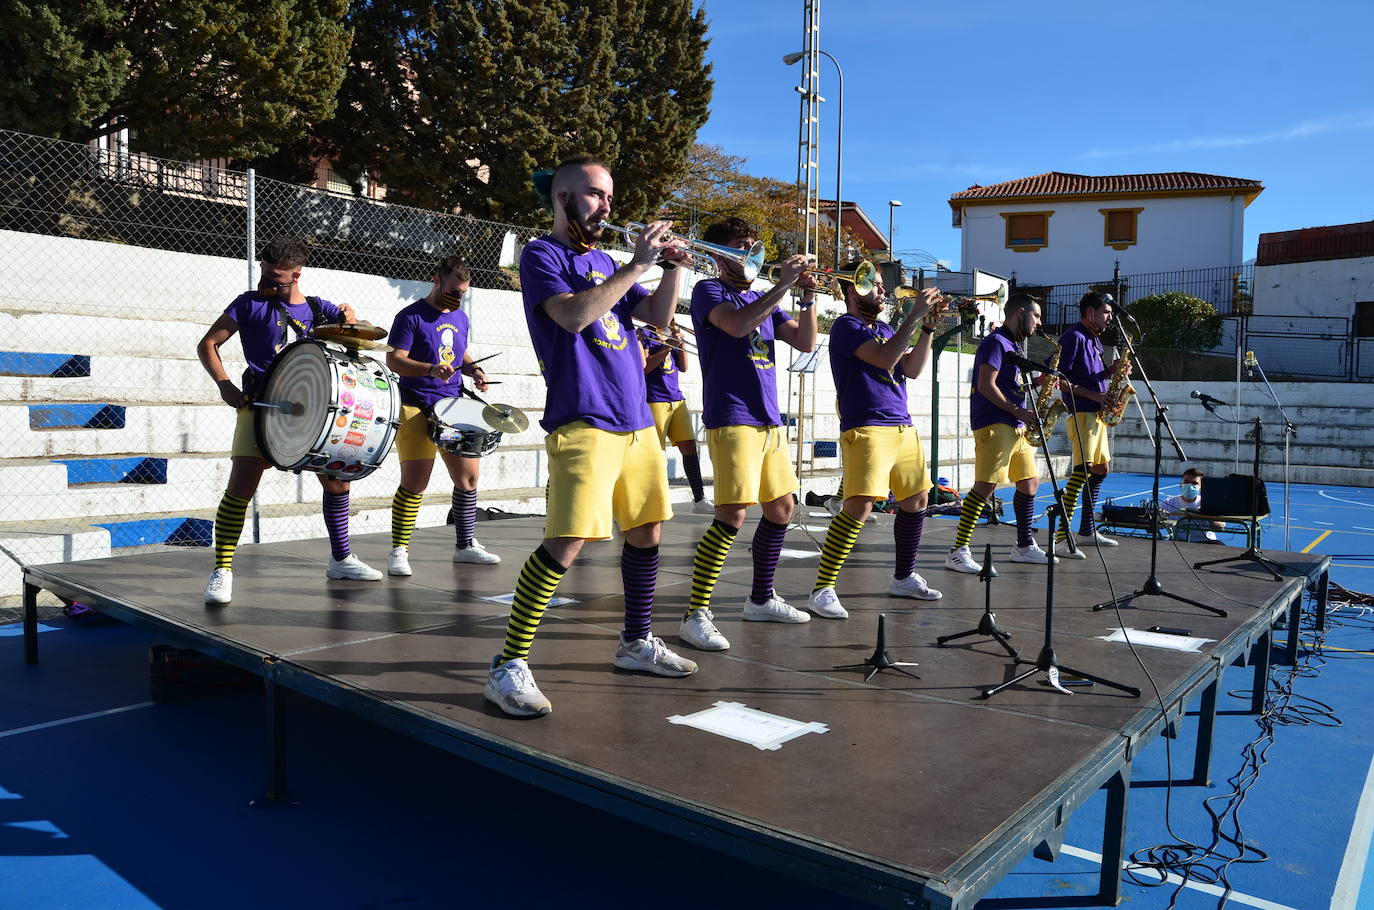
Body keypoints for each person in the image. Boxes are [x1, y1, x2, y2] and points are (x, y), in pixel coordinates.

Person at [484, 156, 697, 718]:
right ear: (562, 198)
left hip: (635, 416)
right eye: (596, 195)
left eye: (608, 195)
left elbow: (653, 314)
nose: (607, 205)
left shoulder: (603, 258)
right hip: (584, 415)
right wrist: (636, 264)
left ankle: (635, 642)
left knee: (647, 531)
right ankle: (508, 664)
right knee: (569, 541)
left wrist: (671, 269)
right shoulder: (542, 254)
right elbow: (574, 316)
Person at [197, 237, 383, 605]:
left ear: (297, 275)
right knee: (240, 488)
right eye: (264, 273)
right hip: (261, 404)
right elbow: (208, 344)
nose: (267, 282)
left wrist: (353, 320)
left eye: (276, 278)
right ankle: (222, 570)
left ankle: (341, 558)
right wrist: (225, 385)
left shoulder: (319, 308)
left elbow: (367, 333)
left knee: (337, 482)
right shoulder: (249, 303)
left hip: (312, 409)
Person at [678, 217, 819, 652]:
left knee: (781, 508)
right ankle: (695, 613)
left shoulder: (762, 297)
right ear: (719, 254)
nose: (752, 253)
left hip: (768, 418)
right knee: (733, 513)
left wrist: (808, 300)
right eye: (742, 246)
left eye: (754, 245)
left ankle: (760, 598)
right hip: (733, 414)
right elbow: (736, 326)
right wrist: (783, 287)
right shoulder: (708, 290)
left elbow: (806, 342)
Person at [805, 266, 945, 619]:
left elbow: (910, 369)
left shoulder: (883, 328)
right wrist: (915, 316)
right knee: (859, 506)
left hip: (901, 424)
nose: (883, 292)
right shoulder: (846, 326)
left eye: (883, 286)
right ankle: (822, 588)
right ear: (853, 291)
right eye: (876, 286)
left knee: (917, 500)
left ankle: (903, 577)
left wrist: (927, 327)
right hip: (867, 427)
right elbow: (884, 360)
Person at [385, 257, 500, 578]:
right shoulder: (410, 317)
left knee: (468, 479)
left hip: (451, 413)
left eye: (462, 293)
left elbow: (458, 350)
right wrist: (430, 370)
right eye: (452, 291)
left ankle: (465, 546)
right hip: (417, 409)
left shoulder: (461, 317)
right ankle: (399, 550)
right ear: (436, 279)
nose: (457, 297)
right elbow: (395, 359)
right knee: (415, 483)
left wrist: (474, 368)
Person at [944, 293, 1055, 573]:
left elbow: (1013, 384)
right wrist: (1018, 412)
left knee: (1029, 482)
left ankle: (1024, 546)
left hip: (1016, 425)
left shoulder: (1015, 345)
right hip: (995, 422)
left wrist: (1042, 381)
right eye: (1037, 315)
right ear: (1021, 313)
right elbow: (986, 384)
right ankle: (958, 550)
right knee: (986, 486)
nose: (1039, 322)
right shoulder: (996, 342)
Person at [1053, 291, 1122, 558]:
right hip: (1082, 413)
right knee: (1082, 471)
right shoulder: (1073, 337)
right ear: (1090, 312)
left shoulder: (1093, 339)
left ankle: (1086, 530)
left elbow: (1091, 375)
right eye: (1106, 312)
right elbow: (1058, 377)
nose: (1110, 318)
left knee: (1101, 469)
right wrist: (1092, 394)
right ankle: (1061, 538)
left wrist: (1110, 372)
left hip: (1096, 414)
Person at [637, 321, 713, 514]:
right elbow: (644, 367)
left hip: (676, 398)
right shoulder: (644, 333)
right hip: (654, 399)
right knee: (654, 453)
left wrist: (681, 344)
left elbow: (684, 367)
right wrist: (666, 347)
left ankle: (699, 499)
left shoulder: (671, 332)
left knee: (689, 446)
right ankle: (647, 501)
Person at [1161, 467, 1225, 542]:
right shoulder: (1168, 503)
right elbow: (1154, 522)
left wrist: (1209, 517)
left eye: (1194, 483)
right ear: (1181, 484)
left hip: (1206, 542)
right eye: (1186, 481)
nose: (1189, 485)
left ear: (1201, 487)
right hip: (1179, 541)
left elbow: (1220, 527)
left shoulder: (1208, 503)